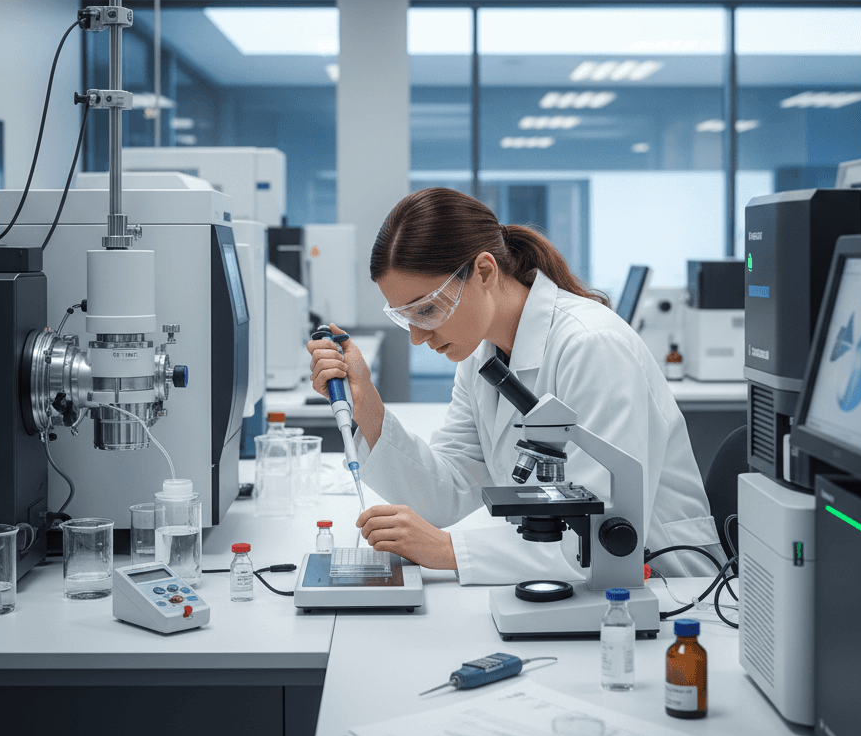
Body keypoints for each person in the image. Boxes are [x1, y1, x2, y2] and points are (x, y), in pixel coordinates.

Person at [308, 188, 721, 584]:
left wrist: (448, 551)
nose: (417, 337)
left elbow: (601, 534)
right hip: (563, 579)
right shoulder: (481, 355)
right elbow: (449, 490)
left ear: (485, 272)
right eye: (406, 317)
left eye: (428, 309)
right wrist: (367, 405)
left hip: (669, 587)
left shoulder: (593, 346)